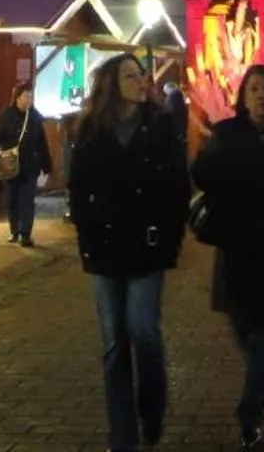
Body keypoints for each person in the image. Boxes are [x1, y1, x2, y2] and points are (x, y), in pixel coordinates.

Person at [70, 53, 190, 452]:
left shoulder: (159, 126)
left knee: (143, 329)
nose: (141, 81)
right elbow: (78, 188)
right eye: (131, 75)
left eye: (141, 75)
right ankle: (122, 437)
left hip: (147, 245)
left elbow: (178, 185)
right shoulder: (90, 130)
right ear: (111, 84)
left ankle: (152, 409)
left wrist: (170, 236)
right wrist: (86, 231)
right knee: (113, 344)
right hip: (104, 248)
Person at [192, 63, 264, 449]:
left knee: (262, 338)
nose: (261, 96)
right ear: (243, 97)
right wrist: (219, 159)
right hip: (234, 250)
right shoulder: (226, 134)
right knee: (241, 330)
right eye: (254, 89)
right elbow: (201, 174)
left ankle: (249, 416)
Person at [0, 81, 50, 246]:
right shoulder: (6, 116)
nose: (28, 100)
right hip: (10, 166)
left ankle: (25, 234)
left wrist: (47, 165)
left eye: (31, 96)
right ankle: (14, 230)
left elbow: (42, 143)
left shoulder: (35, 118)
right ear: (17, 98)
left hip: (30, 166)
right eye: (25, 96)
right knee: (11, 200)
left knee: (27, 200)